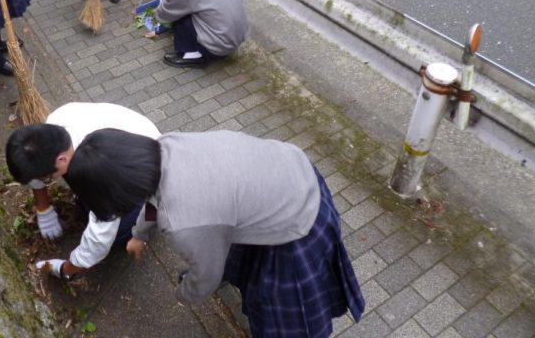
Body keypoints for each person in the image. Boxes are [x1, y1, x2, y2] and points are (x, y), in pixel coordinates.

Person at [65, 129, 365, 338]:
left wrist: (184, 293)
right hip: (290, 171)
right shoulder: (165, 146)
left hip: (297, 221)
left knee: (283, 316)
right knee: (239, 251)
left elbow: (206, 274)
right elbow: (155, 198)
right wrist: (139, 234)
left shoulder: (185, 222)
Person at [6, 103, 160, 280]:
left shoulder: (97, 171)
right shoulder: (55, 125)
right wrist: (43, 208)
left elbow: (99, 239)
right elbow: (34, 168)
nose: (45, 183)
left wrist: (65, 269)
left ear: (62, 158)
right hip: (133, 143)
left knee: (119, 235)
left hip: (151, 183)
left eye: (47, 179)